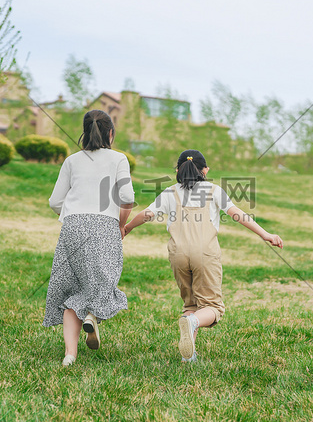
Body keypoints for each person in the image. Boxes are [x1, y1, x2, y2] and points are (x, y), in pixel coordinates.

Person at [123, 149, 283, 362]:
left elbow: (147, 214)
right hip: (205, 254)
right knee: (212, 307)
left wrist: (127, 228)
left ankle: (188, 356)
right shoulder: (213, 190)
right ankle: (192, 323)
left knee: (191, 305)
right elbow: (237, 214)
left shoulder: (171, 192)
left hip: (178, 254)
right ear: (205, 170)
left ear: (178, 170)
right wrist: (266, 234)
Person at [43, 110, 135, 367]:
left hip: (72, 225)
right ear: (111, 133)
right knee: (104, 280)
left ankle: (69, 355)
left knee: (71, 287)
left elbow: (54, 202)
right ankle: (91, 317)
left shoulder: (72, 161)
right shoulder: (119, 159)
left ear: (85, 132)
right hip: (104, 225)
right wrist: (121, 223)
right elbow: (127, 196)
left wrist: (73, 217)